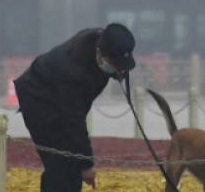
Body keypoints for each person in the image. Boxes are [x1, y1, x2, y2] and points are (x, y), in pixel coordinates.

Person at [14, 23, 137, 192]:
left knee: (72, 164)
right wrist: (87, 164)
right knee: (59, 166)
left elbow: (74, 119)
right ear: (100, 54)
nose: (118, 68)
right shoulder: (73, 72)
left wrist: (116, 72)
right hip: (38, 100)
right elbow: (74, 120)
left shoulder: (101, 40)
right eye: (114, 64)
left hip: (63, 100)